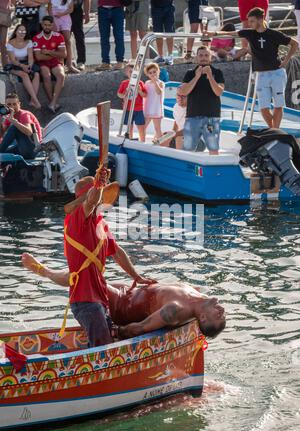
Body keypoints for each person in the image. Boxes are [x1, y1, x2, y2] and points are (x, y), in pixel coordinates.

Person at [22, 173, 154, 347]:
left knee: (108, 341)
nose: (102, 201)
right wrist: (98, 185)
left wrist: (136, 276)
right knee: (103, 351)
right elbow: (90, 202)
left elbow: (117, 252)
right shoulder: (75, 219)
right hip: (85, 302)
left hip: (100, 299)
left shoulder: (100, 223)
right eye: (99, 195)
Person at [22, 252, 226, 340]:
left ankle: (43, 270)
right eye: (223, 314)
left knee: (82, 275)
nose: (222, 310)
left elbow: (139, 328)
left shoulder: (175, 311)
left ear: (204, 318)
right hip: (128, 289)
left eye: (219, 316)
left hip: (117, 303)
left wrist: (114, 331)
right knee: (95, 262)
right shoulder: (198, 294)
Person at [212, 7, 299, 129]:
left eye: (252, 21)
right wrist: (214, 34)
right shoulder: (250, 33)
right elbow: (231, 34)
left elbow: (295, 44)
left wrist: (286, 60)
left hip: (277, 73)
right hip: (261, 75)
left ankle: (275, 130)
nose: (249, 23)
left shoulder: (274, 34)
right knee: (263, 107)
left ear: (260, 20)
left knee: (278, 105)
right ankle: (272, 129)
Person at [180, 46, 224, 155]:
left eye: (206, 55)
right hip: (192, 117)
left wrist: (210, 76)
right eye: (200, 55)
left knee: (213, 149)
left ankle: (214, 171)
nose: (203, 58)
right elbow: (183, 92)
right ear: (196, 58)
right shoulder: (190, 73)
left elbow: (218, 92)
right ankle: (187, 171)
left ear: (210, 57)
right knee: (187, 150)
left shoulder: (217, 72)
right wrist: (197, 76)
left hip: (211, 118)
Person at [33, 15, 67, 113]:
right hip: (42, 62)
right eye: (45, 25)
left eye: (49, 25)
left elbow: (64, 54)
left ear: (52, 25)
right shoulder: (37, 38)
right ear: (42, 25)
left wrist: (48, 51)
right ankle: (53, 103)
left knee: (61, 75)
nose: (47, 27)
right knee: (46, 76)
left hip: (55, 61)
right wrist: (55, 53)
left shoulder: (58, 36)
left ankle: (52, 103)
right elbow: (39, 57)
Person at [5, 24, 41, 109]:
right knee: (24, 75)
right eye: (20, 31)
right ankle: (36, 101)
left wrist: (29, 66)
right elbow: (13, 60)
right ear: (16, 32)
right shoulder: (10, 43)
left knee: (36, 74)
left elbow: (31, 57)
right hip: (14, 64)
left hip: (26, 62)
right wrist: (23, 66)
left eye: (24, 31)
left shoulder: (28, 42)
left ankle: (32, 100)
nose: (22, 33)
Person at [0, 92, 42, 159]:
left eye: (14, 104)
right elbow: (1, 135)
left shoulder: (24, 114)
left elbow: (29, 132)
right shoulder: (9, 116)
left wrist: (14, 122)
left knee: (14, 127)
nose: (12, 107)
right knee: (5, 152)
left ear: (19, 104)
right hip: (22, 147)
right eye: (9, 104)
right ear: (5, 106)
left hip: (34, 150)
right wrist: (1, 120)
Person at [117, 63, 147, 141]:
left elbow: (145, 95)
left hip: (138, 108)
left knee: (141, 126)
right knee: (129, 127)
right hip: (128, 108)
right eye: (130, 71)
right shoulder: (124, 83)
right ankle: (130, 140)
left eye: (134, 72)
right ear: (126, 73)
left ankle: (142, 141)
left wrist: (140, 90)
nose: (132, 73)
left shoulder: (140, 83)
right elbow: (119, 94)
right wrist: (124, 94)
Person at [50, 0, 80, 73]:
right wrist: (52, 22)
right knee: (56, 42)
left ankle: (69, 65)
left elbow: (71, 9)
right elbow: (49, 9)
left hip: (65, 18)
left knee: (67, 41)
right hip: (54, 18)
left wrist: (61, 14)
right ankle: (59, 65)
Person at [97, 0, 125, 71]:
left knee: (119, 37)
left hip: (118, 8)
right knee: (104, 37)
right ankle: (105, 62)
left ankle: (120, 61)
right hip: (102, 9)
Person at [143, 62, 164, 141]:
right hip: (148, 108)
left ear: (158, 71)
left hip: (156, 109)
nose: (152, 74)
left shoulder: (161, 83)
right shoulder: (147, 83)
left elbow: (159, 92)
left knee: (157, 128)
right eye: (150, 73)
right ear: (147, 75)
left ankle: (161, 144)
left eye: (154, 72)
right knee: (143, 126)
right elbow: (145, 94)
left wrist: (155, 81)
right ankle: (142, 141)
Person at [151, 0, 174, 65]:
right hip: (155, 7)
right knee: (158, 33)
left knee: (169, 32)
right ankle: (160, 56)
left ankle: (170, 56)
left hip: (169, 6)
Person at [71, 0, 90, 71]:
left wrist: (87, 13)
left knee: (79, 37)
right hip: (64, 11)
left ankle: (81, 61)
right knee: (65, 38)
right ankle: (68, 61)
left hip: (77, 11)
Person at [0, 0, 12, 68]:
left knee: (3, 42)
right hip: (4, 14)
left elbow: (14, 3)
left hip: (4, 16)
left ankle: (5, 65)